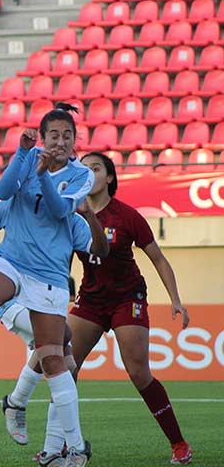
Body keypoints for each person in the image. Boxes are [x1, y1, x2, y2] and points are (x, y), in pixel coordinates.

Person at [0, 103, 95, 466]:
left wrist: (45, 175)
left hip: (49, 277)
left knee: (54, 359)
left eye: (68, 136)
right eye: (54, 135)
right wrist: (21, 153)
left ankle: (74, 448)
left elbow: (59, 210)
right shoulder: (27, 157)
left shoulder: (82, 176)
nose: (61, 141)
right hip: (12, 262)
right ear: (43, 136)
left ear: (74, 140)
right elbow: (4, 192)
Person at [63, 152, 192, 465]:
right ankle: (66, 445)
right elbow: (63, 260)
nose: (89, 173)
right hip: (90, 300)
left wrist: (175, 299)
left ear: (109, 178)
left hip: (127, 298)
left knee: (137, 371)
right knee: (65, 368)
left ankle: (179, 444)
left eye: (96, 168)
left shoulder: (128, 216)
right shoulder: (72, 216)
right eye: (85, 168)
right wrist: (60, 295)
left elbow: (158, 258)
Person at [0, 198, 108, 447]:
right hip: (13, 301)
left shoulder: (73, 220)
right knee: (61, 344)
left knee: (65, 362)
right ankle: (60, 441)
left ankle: (45, 437)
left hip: (45, 299)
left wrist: (91, 215)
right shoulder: (14, 202)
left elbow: (100, 250)